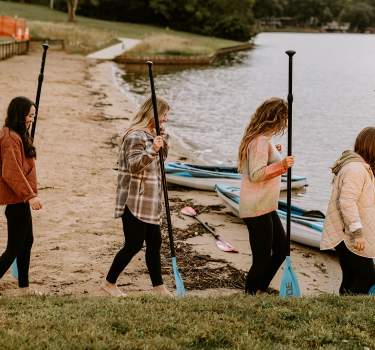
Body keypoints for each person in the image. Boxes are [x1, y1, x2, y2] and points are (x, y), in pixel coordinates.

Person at [102, 96, 172, 297]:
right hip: (135, 199)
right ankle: (109, 283)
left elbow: (161, 159)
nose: (166, 119)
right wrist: (153, 148)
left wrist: (161, 141)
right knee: (133, 245)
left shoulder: (151, 134)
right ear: (154, 114)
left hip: (150, 200)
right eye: (164, 114)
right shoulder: (135, 136)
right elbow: (134, 165)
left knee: (154, 243)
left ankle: (159, 288)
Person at [238, 97, 294, 295]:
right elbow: (256, 174)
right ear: (275, 119)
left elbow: (258, 163)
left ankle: (260, 287)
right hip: (256, 207)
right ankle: (251, 293)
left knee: (281, 249)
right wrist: (282, 165)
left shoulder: (262, 140)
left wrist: (274, 153)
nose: (285, 123)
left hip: (264, 205)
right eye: (284, 118)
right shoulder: (260, 141)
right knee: (262, 257)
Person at [321, 127, 375, 295]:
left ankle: (342, 311)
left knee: (351, 276)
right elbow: (347, 202)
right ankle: (349, 312)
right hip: (348, 235)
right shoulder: (356, 169)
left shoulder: (361, 168)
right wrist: (357, 233)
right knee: (367, 276)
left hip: (346, 233)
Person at [0, 96, 43, 293]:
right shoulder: (9, 138)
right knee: (15, 247)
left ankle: (24, 288)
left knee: (26, 242)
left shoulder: (18, 135)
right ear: (19, 115)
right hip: (18, 200)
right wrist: (30, 195)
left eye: (34, 116)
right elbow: (11, 171)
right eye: (29, 116)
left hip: (19, 201)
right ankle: (24, 287)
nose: (32, 119)